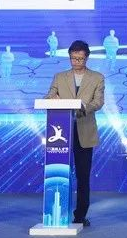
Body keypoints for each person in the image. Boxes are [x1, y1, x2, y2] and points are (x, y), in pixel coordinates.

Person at [45, 40, 105, 226]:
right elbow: (49, 96)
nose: (76, 62)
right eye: (73, 58)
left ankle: (80, 215)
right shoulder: (59, 77)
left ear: (87, 58)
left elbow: (98, 102)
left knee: (82, 176)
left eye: (80, 59)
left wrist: (84, 107)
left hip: (84, 130)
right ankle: (58, 212)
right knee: (59, 172)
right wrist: (52, 99)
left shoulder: (97, 77)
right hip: (61, 132)